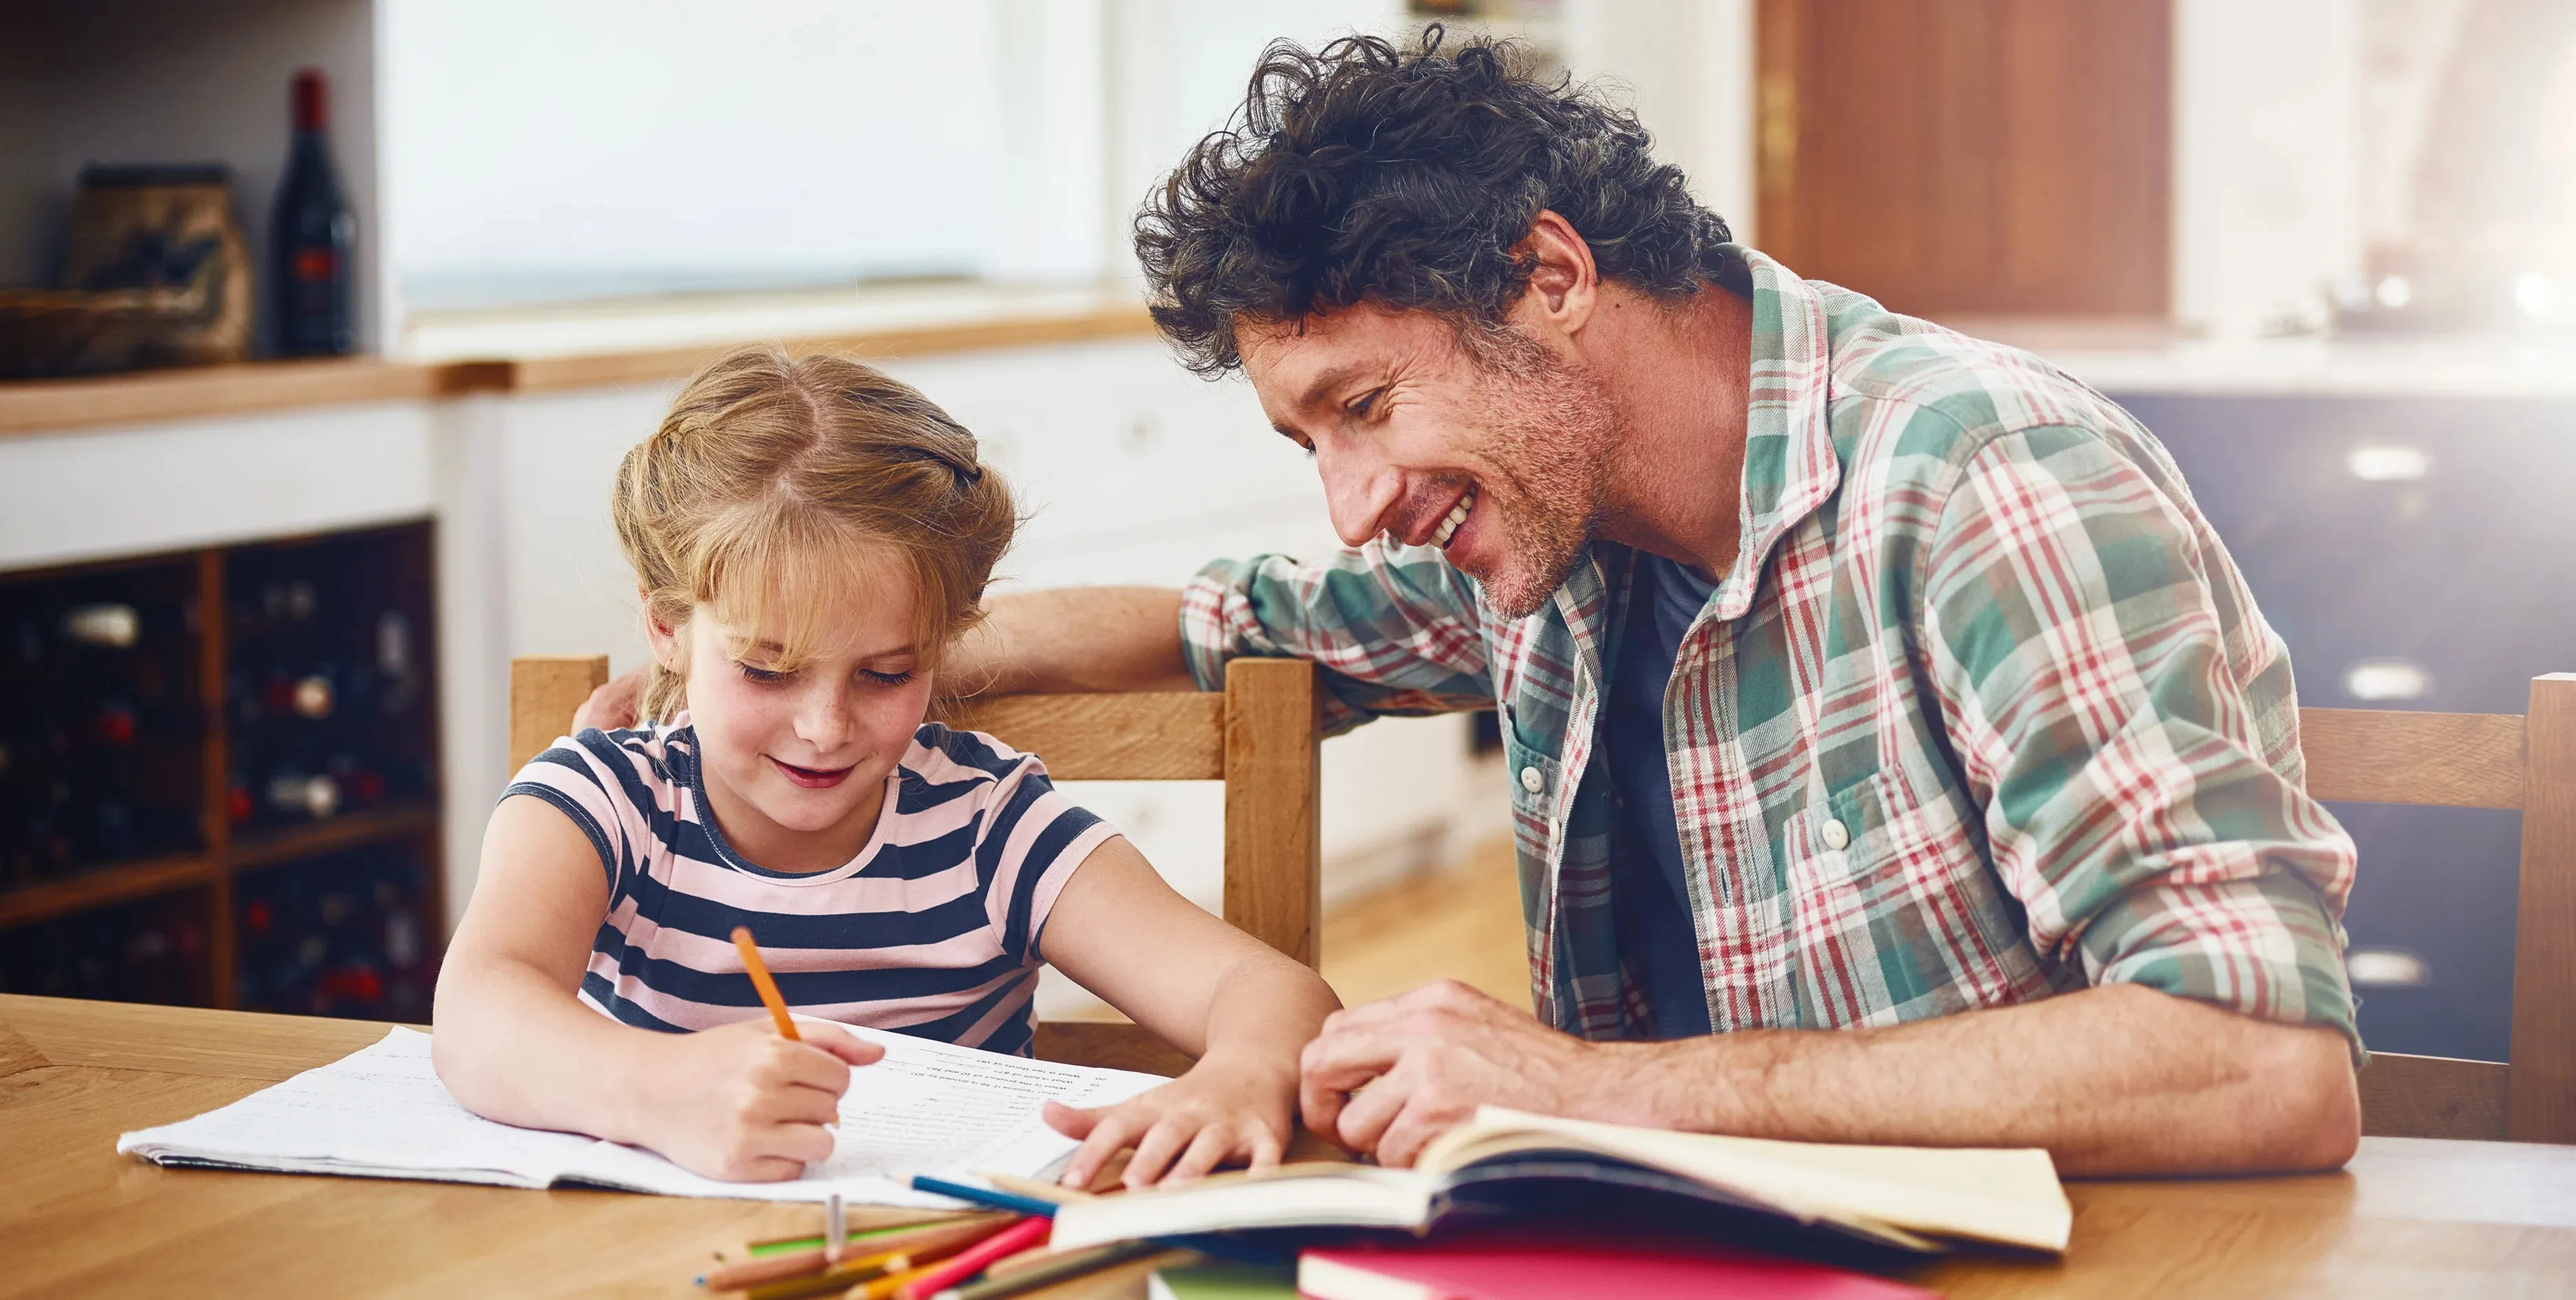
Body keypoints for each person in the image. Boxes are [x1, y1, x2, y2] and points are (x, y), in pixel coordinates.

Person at [582, 32, 2363, 1178]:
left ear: (1551, 276)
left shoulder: (1980, 486)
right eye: (1308, 437)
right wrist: (841, 663)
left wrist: (1600, 1091)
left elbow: (2260, 1067)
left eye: (1366, 404)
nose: (1358, 497)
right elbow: (1242, 617)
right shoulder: (1547, 533)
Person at [435, 347, 1338, 1191]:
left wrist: (1240, 1073)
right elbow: (477, 1009)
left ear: (941, 649)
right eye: (766, 669)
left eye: (886, 673)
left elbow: (1266, 989)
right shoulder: (603, 800)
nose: (825, 728)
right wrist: (652, 1087)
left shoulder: (986, 824)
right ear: (668, 627)